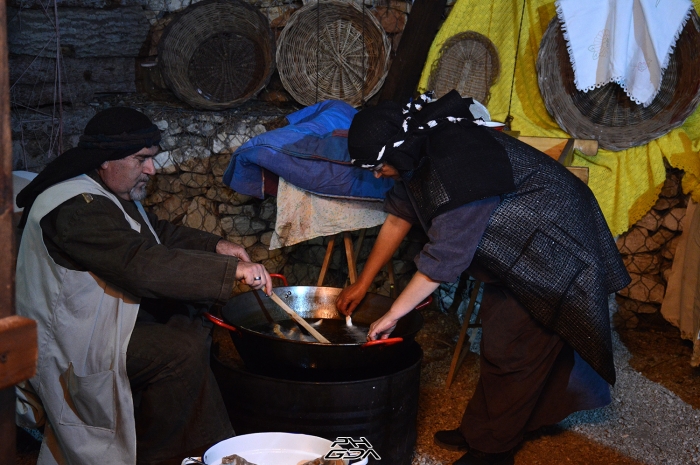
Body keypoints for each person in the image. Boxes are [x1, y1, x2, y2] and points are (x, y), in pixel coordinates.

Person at [335, 90, 631, 465]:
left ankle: (493, 450)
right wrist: (363, 282)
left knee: (516, 348)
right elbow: (398, 217)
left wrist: (393, 313)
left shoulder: (460, 165)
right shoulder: (420, 150)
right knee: (503, 337)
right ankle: (492, 426)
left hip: (553, 245)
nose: (379, 175)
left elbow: (444, 259)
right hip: (517, 247)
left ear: (397, 150)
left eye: (379, 166)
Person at [14, 107, 272, 465]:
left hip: (100, 322)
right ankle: (174, 455)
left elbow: (154, 232)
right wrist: (232, 272)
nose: (151, 169)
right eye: (141, 159)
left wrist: (217, 246)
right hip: (72, 341)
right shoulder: (76, 208)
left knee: (189, 318)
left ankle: (197, 444)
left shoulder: (102, 190)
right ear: (104, 160)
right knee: (178, 349)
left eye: (151, 158)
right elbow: (140, 263)